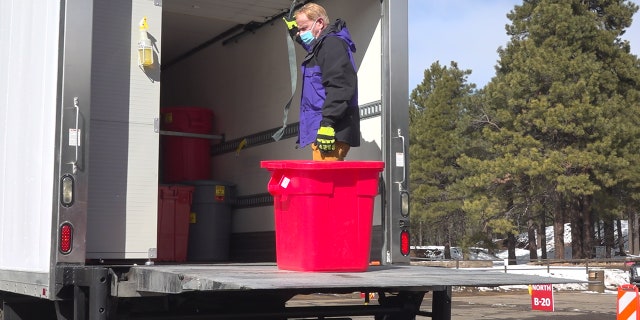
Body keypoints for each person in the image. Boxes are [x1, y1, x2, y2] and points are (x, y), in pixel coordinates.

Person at [285, 3, 360, 161]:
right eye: (299, 29)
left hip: (332, 130)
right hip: (327, 128)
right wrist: (296, 34)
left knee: (326, 183)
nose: (301, 32)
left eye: (304, 28)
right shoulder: (324, 46)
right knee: (327, 182)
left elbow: (340, 85)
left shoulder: (332, 44)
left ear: (319, 23)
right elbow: (315, 49)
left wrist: (327, 124)